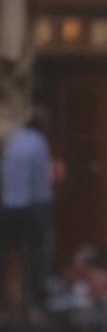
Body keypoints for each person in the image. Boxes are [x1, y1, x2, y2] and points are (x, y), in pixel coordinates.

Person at [1, 107, 57, 317]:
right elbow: (41, 183)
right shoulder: (38, 144)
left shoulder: (14, 140)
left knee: (9, 255)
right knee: (36, 254)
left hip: (8, 206)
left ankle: (9, 303)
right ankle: (33, 300)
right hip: (29, 208)